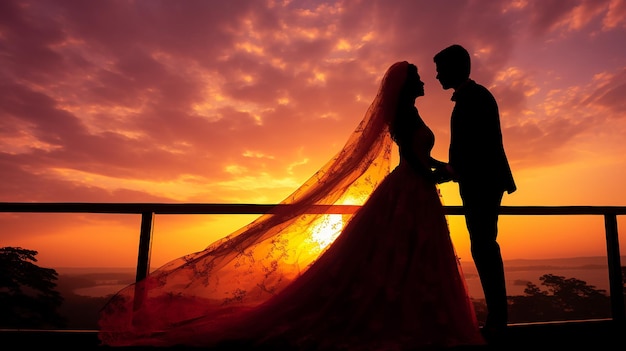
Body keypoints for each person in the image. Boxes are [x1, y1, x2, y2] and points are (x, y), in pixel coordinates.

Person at [98, 61, 485, 350]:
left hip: (412, 190)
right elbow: (417, 161)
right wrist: (444, 173)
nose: (423, 80)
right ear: (406, 85)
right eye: (417, 76)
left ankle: (410, 317)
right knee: (402, 258)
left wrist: (442, 168)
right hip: (410, 191)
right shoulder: (404, 115)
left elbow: (419, 156)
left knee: (408, 260)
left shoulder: (411, 114)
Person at [433, 44, 517, 340]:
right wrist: (447, 171)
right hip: (479, 181)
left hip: (483, 183)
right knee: (482, 245)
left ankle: (497, 318)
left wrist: (447, 172)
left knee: (483, 245)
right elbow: (468, 153)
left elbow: (479, 149)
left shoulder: (475, 98)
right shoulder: (474, 97)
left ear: (454, 69)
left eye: (440, 70)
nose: (436, 76)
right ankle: (497, 317)